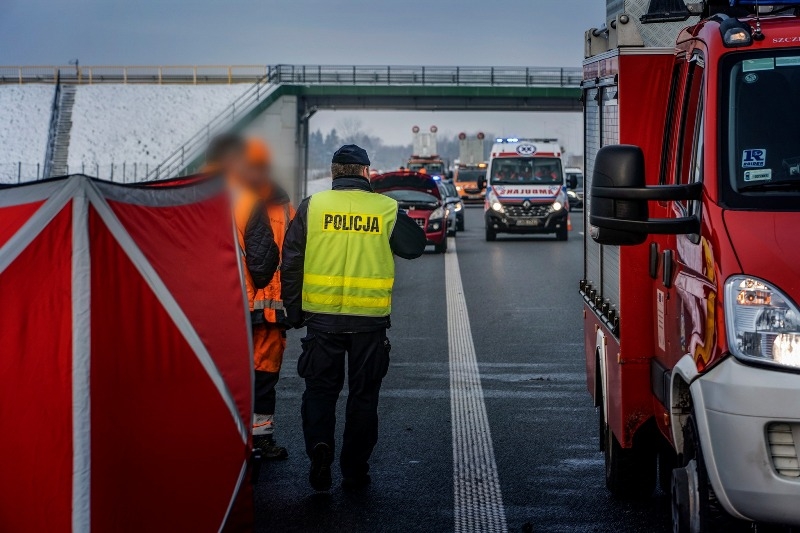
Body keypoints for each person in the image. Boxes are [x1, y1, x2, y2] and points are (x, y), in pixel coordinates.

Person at [281, 144, 427, 492]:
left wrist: (295, 310)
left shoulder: (312, 207)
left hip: (322, 320)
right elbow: (415, 247)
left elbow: (291, 259)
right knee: (363, 396)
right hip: (368, 324)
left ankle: (320, 447)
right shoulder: (385, 209)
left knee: (319, 391)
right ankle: (354, 468)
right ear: (366, 172)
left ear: (333, 173)